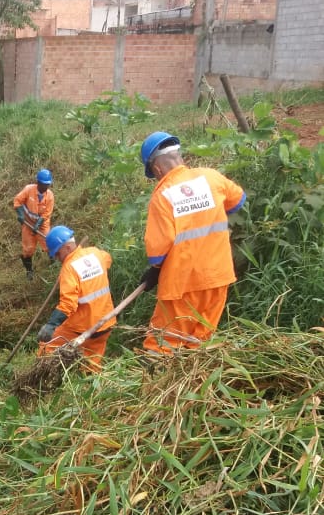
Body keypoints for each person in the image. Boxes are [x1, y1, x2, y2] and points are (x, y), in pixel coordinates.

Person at [138, 130, 246, 355]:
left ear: (156, 169)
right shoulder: (211, 177)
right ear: (179, 156)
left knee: (162, 344)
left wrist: (154, 271)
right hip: (218, 277)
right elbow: (237, 201)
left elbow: (158, 252)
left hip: (183, 284)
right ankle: (194, 382)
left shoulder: (163, 194)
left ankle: (154, 387)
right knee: (199, 342)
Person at [37, 225, 116, 371]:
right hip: (105, 323)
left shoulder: (69, 268)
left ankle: (41, 378)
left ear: (67, 247)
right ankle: (89, 384)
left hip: (83, 326)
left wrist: (51, 325)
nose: (57, 258)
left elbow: (68, 303)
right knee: (92, 361)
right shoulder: (96, 253)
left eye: (58, 254)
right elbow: (108, 260)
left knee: (48, 345)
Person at [13, 169, 54, 281]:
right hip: (28, 224)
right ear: (38, 183)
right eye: (44, 184)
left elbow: (47, 213)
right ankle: (29, 271)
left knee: (49, 245)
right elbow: (17, 201)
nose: (46, 187)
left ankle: (54, 267)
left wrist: (38, 224)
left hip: (42, 225)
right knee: (28, 249)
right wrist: (20, 214)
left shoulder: (50, 196)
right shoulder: (28, 190)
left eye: (48, 184)